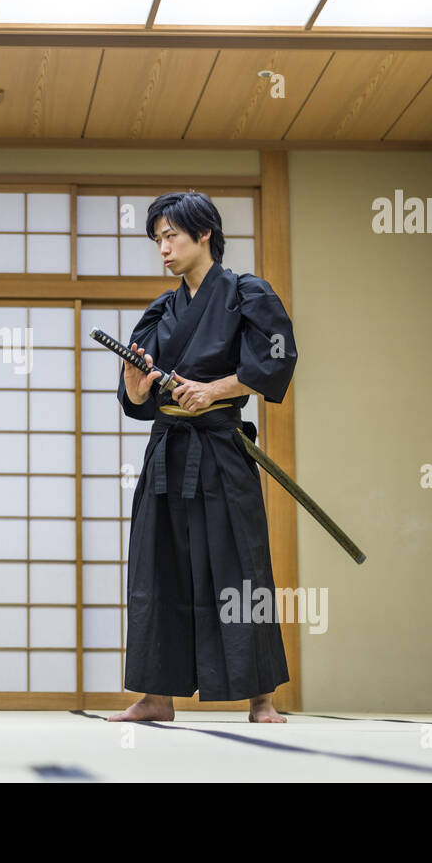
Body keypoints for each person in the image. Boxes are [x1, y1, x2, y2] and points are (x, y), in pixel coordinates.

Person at [108, 191, 297, 724]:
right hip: (167, 452)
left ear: (204, 234)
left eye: (170, 236)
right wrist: (136, 384)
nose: (163, 248)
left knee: (241, 566)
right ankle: (155, 696)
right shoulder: (161, 312)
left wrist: (213, 390)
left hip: (221, 450)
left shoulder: (246, 293)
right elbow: (137, 402)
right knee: (156, 567)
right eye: (157, 240)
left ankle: (261, 697)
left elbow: (277, 359)